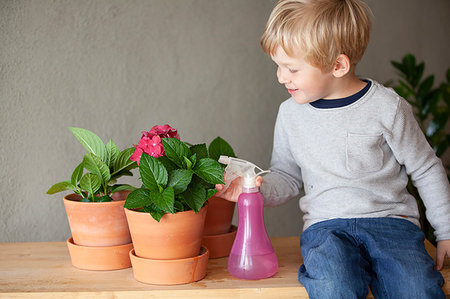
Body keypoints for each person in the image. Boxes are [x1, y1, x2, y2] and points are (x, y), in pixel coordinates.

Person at [216, 0, 450, 297]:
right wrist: (253, 189)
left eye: (291, 68)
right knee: (331, 287)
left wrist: (446, 231)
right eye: (278, 66)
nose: (280, 76)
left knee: (417, 289)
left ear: (338, 65)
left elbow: (426, 167)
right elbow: (287, 178)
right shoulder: (290, 115)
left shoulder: (387, 107)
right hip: (326, 231)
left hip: (392, 226)